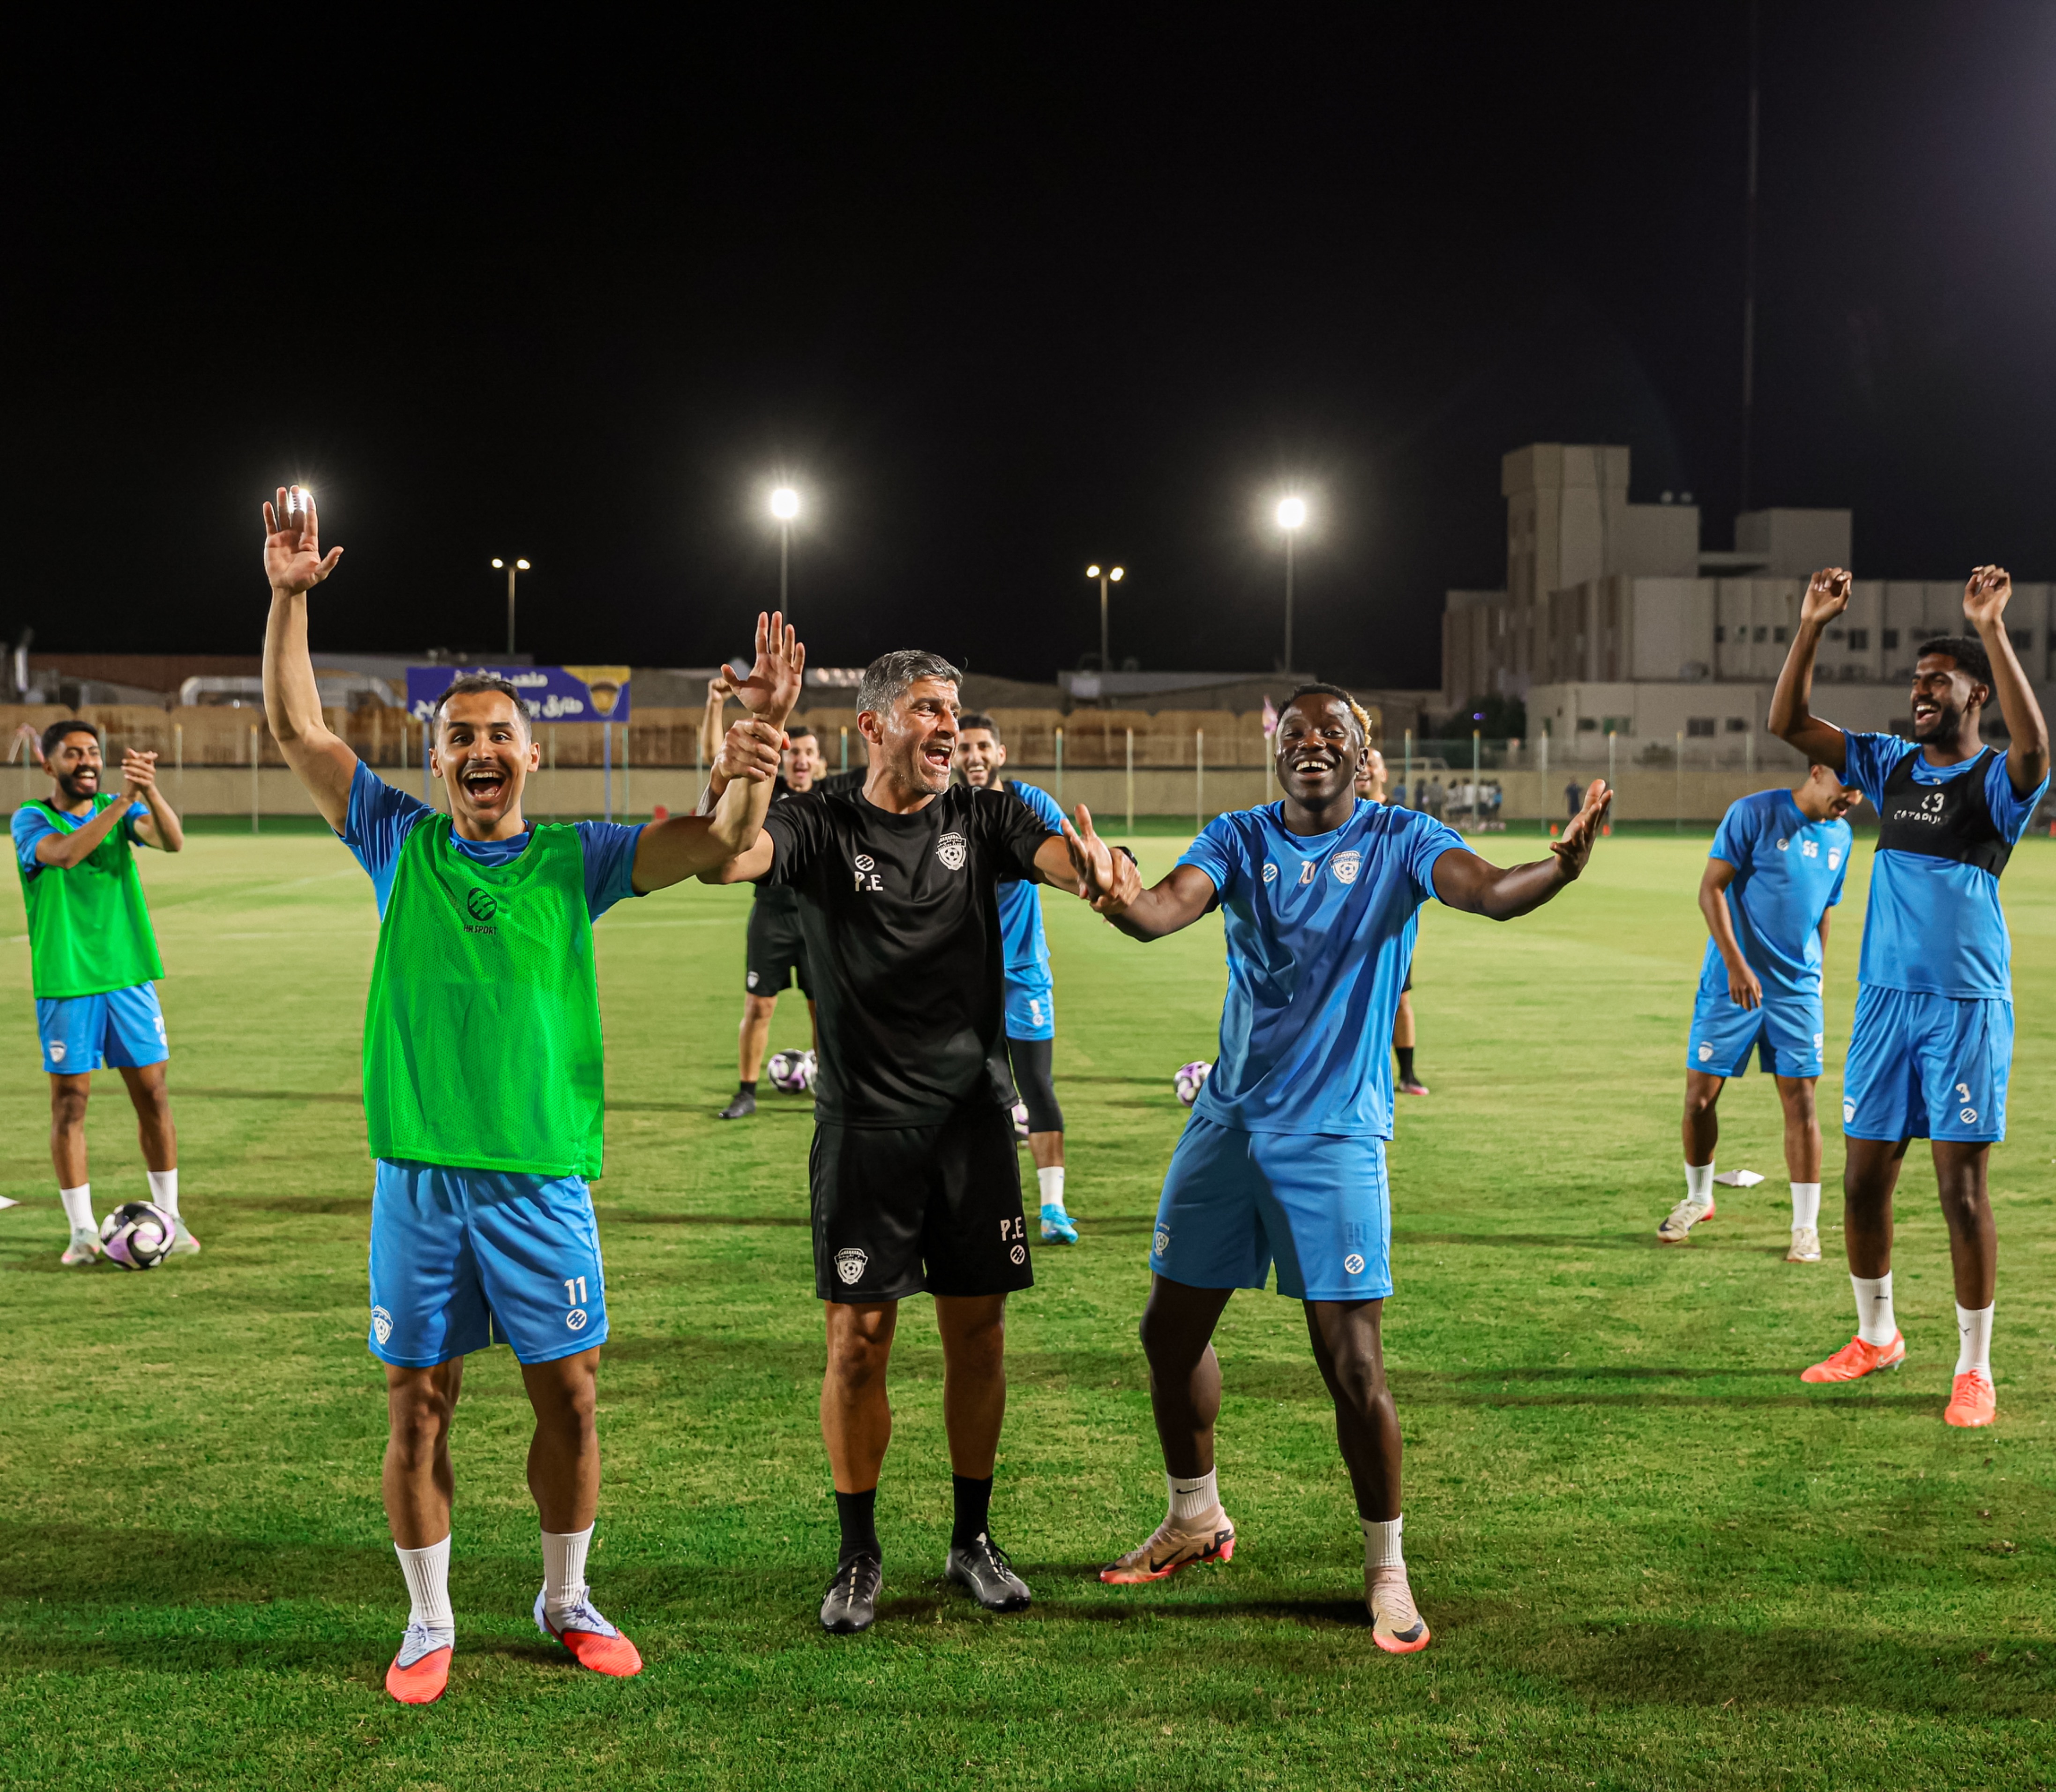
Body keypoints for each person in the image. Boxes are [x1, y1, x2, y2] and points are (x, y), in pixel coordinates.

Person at [261, 487, 797, 1702]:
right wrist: (289, 600)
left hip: (541, 1172)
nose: (483, 751)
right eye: (461, 737)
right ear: (438, 756)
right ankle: (428, 1618)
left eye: (501, 734)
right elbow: (296, 729)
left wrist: (752, 761)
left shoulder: (579, 856)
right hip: (418, 1173)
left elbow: (718, 842)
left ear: (532, 753)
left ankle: (565, 1593)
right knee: (419, 1403)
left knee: (571, 1391)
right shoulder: (398, 842)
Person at [1088, 683, 1611, 1652]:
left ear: (1364, 751)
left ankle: (1387, 1568)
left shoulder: (1403, 840)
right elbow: (1162, 912)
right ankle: (1196, 1516)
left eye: (1333, 734)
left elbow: (1489, 893)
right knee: (1168, 1334)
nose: (1313, 746)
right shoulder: (1239, 836)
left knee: (1353, 1366)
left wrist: (1560, 867)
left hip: (1334, 1136)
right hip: (1229, 1127)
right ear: (1274, 750)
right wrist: (1110, 890)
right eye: (1297, 734)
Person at [704, 650, 1113, 1636]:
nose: (948, 726)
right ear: (874, 726)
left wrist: (1103, 869)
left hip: (973, 1122)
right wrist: (750, 758)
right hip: (864, 1132)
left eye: (955, 710)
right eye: (929, 710)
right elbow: (727, 855)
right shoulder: (818, 819)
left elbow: (1068, 861)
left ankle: (973, 1538)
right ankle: (857, 1553)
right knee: (858, 1345)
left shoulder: (987, 813)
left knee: (978, 1337)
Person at [1769, 565, 2049, 1428]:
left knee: (1959, 1190)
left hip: (1964, 1006)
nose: (1919, 690)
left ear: (1974, 693)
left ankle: (1974, 1366)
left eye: (1937, 680)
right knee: (1861, 1182)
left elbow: (2036, 747)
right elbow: (1787, 723)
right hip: (1884, 1005)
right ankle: (1875, 1334)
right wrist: (1811, 622)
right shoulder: (1887, 764)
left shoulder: (1999, 780)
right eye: (1916, 679)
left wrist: (1991, 630)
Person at [1657, 765, 1863, 1260]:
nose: (1852, 798)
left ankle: (1804, 1227)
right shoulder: (1753, 813)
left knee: (1803, 1106)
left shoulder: (1842, 835)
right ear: (1816, 772)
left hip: (1796, 994)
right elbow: (1710, 889)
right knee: (1698, 1101)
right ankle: (1699, 1198)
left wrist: (1815, 979)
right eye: (1845, 786)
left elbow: (1824, 910)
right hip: (1731, 985)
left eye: (1859, 790)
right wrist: (1734, 964)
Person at [13, 721, 190, 1263]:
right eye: (73, 755)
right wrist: (122, 805)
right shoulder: (31, 818)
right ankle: (83, 1231)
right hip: (68, 981)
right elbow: (64, 854)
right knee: (70, 1104)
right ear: (49, 766)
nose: (87, 762)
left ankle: (172, 1218)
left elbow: (172, 840)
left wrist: (149, 791)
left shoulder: (123, 806)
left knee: (154, 1096)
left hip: (128, 975)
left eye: (93, 752)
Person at [700, 674, 860, 1119]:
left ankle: (827, 1085)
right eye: (795, 754)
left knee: (821, 1007)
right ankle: (746, 1091)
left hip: (817, 916)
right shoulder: (767, 794)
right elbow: (718, 759)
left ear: (822, 764)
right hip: (770, 915)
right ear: (784, 760)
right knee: (758, 1005)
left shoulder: (833, 798)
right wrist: (715, 707)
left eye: (810, 754)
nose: (802, 761)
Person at [953, 712, 1075, 1244]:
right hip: (959, 978)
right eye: (963, 747)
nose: (973, 755)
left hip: (1024, 972)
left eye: (982, 745)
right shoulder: (943, 809)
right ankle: (973, 1204)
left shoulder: (1031, 803)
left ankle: (1052, 1209)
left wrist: (1109, 864)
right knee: (966, 1096)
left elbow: (1068, 857)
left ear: (1000, 754)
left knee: (1036, 1085)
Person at [1356, 749, 1430, 1097]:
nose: (1364, 770)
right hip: (1340, 929)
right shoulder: (1334, 817)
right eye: (1358, 764)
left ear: (1383, 774)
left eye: (1372, 764)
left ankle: (1408, 1075)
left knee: (1400, 999)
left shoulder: (1401, 820)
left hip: (1388, 929)